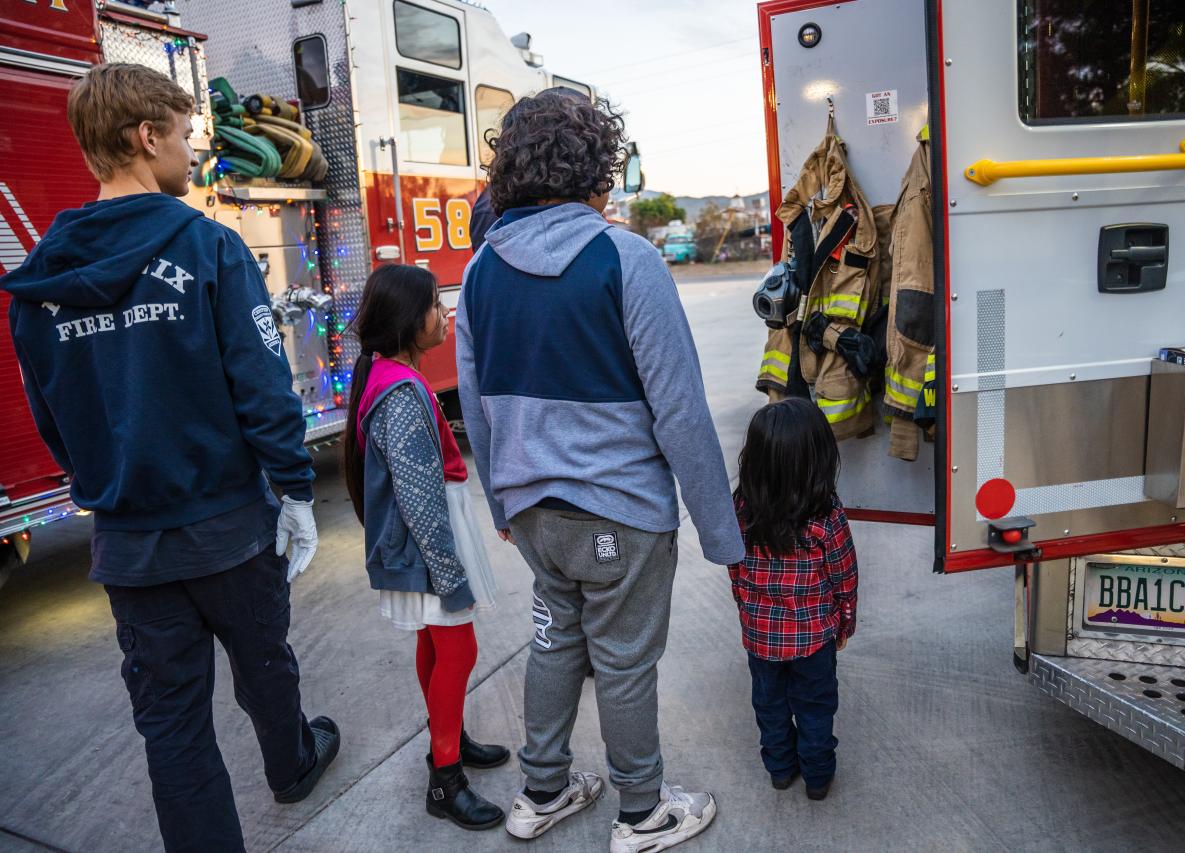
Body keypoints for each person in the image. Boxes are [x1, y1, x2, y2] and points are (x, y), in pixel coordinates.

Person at [0, 63, 338, 852]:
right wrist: (293, 487)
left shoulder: (40, 277)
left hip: (127, 542)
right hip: (227, 529)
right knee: (264, 662)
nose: (192, 153)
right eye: (185, 136)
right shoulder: (207, 247)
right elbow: (262, 387)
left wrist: (106, 483)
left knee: (173, 727)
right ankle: (291, 761)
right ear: (147, 138)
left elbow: (53, 417)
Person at [455, 87, 745, 853]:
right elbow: (679, 410)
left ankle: (541, 792)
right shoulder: (626, 259)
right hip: (619, 515)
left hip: (538, 518)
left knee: (553, 641)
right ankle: (642, 812)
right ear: (598, 169)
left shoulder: (480, 271)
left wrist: (503, 508)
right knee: (622, 663)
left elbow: (479, 411)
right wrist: (723, 533)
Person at [343, 263, 508, 831]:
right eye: (436, 307)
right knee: (458, 652)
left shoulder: (389, 376)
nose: (445, 315)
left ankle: (450, 735)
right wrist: (448, 573)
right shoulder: (403, 393)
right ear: (410, 323)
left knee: (439, 649)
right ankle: (446, 779)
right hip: (432, 548)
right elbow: (420, 500)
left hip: (428, 545)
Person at [729, 398, 858, 801]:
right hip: (814, 638)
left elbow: (736, 569)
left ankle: (781, 769)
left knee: (769, 705)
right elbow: (844, 578)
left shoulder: (742, 510)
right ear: (818, 459)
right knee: (816, 707)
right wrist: (844, 622)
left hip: (761, 637)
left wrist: (746, 608)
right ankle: (818, 777)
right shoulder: (827, 517)